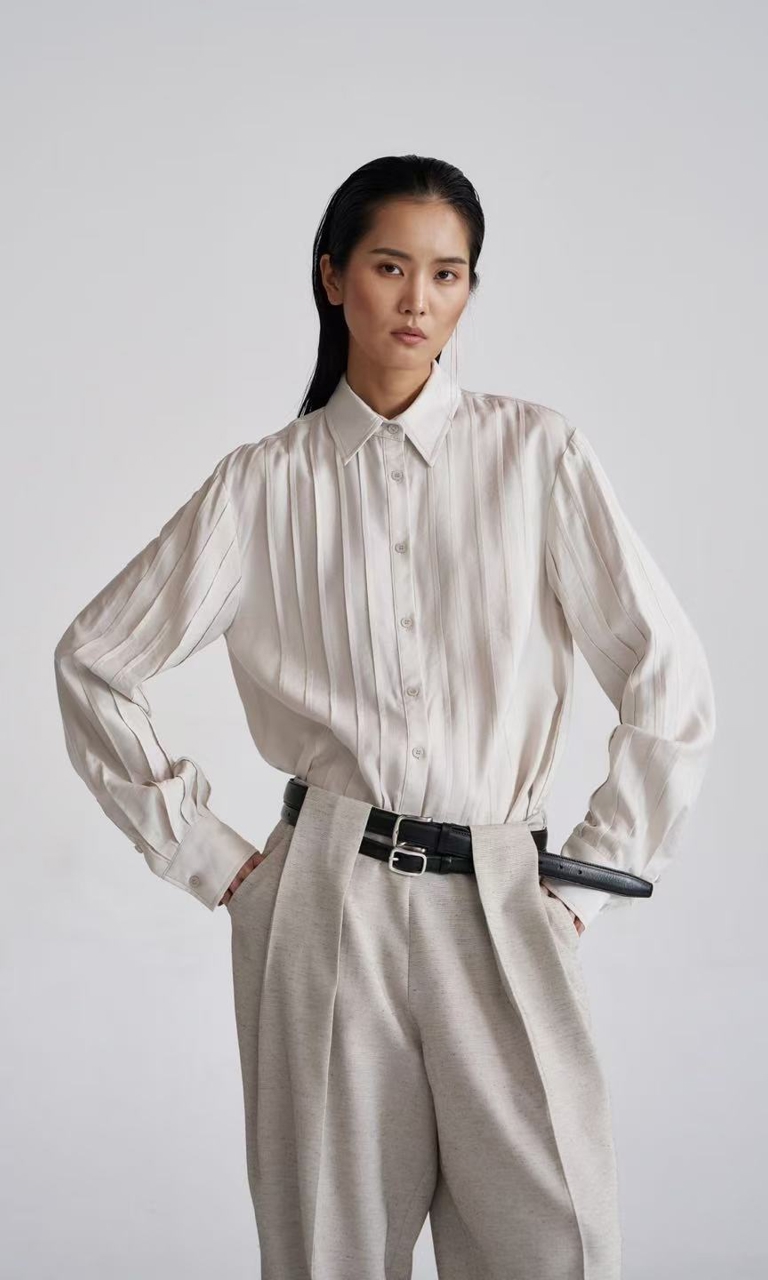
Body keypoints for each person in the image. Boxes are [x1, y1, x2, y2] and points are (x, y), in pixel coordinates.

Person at [53, 154, 716, 1279]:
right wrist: (224, 868)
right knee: (331, 1251)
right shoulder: (263, 484)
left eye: (448, 273)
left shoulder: (536, 454)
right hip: (325, 903)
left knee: (558, 1242)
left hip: (505, 896)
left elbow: (670, 677)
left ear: (470, 289)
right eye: (390, 266)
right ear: (332, 277)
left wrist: (582, 883)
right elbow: (95, 660)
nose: (419, 300)